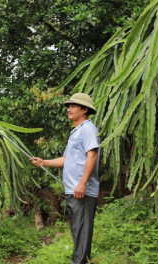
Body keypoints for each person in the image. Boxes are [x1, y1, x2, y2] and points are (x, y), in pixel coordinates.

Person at [30, 93, 100, 264]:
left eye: (73, 106)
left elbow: (92, 156)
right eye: (68, 106)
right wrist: (44, 162)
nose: (68, 109)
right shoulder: (76, 132)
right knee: (77, 230)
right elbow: (66, 159)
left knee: (81, 231)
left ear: (84, 110)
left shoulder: (88, 129)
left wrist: (82, 183)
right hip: (73, 190)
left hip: (82, 190)